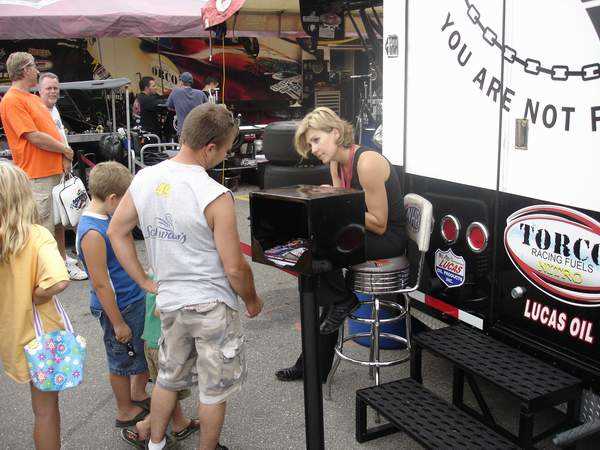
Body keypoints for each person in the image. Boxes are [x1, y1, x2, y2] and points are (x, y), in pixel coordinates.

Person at [108, 103, 263, 450]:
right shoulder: (214, 195)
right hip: (212, 306)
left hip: (171, 302)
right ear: (210, 148)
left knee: (168, 378)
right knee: (213, 389)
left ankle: (157, 443)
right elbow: (235, 267)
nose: (224, 155)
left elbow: (117, 231)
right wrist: (252, 299)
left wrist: (144, 281)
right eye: (225, 149)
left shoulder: (145, 177)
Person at [275, 106, 406, 382]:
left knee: (321, 255)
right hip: (364, 232)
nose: (313, 149)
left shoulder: (367, 163)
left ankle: (340, 304)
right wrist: (333, 199)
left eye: (316, 140)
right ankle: (314, 363)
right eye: (310, 144)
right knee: (316, 266)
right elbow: (342, 209)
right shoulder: (336, 162)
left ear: (335, 133)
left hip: (388, 239)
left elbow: (380, 222)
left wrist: (338, 199)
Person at [0, 162, 70, 450]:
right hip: (38, 338)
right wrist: (37, 294)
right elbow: (58, 281)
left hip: (9, 333)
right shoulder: (36, 236)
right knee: (45, 410)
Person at [75, 161, 150, 430]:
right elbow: (101, 284)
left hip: (131, 299)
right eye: (125, 202)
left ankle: (138, 394)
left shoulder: (106, 218)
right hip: (117, 307)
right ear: (112, 198)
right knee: (120, 360)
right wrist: (117, 322)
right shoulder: (93, 233)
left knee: (138, 351)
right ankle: (125, 409)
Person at [0, 52, 74, 246]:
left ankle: (59, 266)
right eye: (34, 66)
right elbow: (33, 136)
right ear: (25, 70)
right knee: (42, 230)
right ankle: (45, 274)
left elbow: (54, 131)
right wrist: (64, 150)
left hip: (54, 171)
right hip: (37, 175)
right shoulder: (11, 100)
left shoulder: (33, 98)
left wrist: (64, 155)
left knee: (57, 226)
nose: (37, 70)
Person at [120, 280, 200, 448]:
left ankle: (180, 424)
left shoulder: (154, 273)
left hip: (151, 341)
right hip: (164, 344)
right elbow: (161, 309)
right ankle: (145, 426)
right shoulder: (171, 277)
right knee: (168, 392)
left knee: (167, 387)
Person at [38, 71, 88, 281]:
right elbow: (43, 140)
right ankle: (56, 264)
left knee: (61, 220)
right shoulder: (39, 110)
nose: (52, 91)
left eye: (55, 88)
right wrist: (65, 153)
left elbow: (60, 137)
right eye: (48, 88)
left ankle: (62, 258)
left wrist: (66, 157)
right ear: (39, 90)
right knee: (50, 223)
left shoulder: (54, 109)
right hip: (44, 172)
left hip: (58, 171)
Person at [166, 72, 207, 137]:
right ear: (191, 82)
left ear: (181, 82)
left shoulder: (175, 92)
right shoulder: (201, 93)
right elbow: (207, 108)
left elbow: (169, 106)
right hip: (198, 130)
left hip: (183, 130)